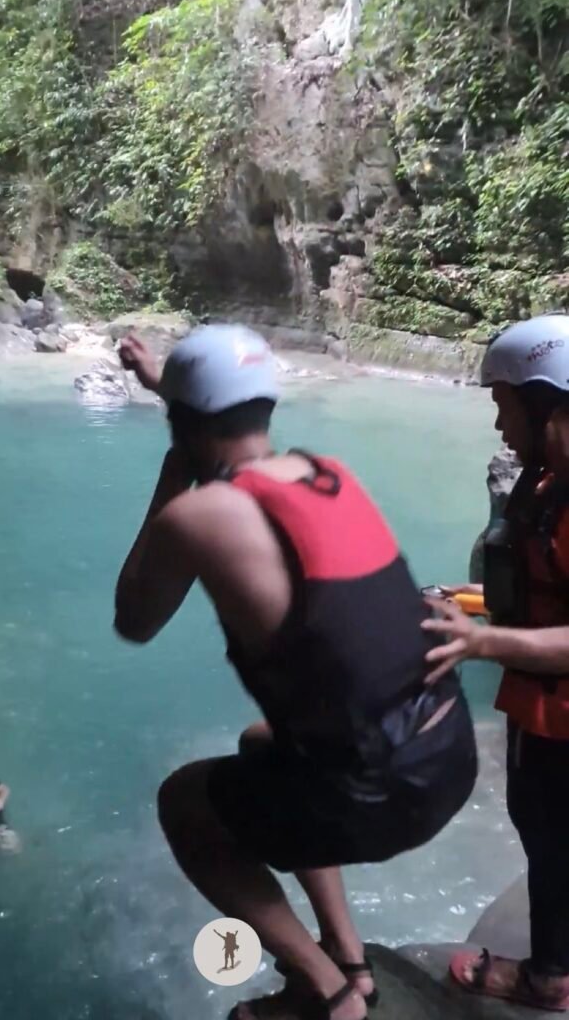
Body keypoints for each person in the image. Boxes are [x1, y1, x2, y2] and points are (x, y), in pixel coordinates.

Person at [115, 324, 477, 1020]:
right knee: (260, 744)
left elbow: (134, 618)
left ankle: (324, 987)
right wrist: (172, 391)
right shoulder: (329, 474)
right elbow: (226, 436)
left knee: (184, 803)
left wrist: (173, 468)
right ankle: (350, 958)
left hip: (383, 793)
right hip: (446, 752)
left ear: (182, 423)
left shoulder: (200, 515)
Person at [422, 313, 569, 1012]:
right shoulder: (548, 488)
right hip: (544, 711)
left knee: (551, 842)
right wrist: (469, 601)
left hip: (560, 723)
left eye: (503, 407)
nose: (498, 425)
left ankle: (548, 979)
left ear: (546, 407)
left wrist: (478, 643)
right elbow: (545, 595)